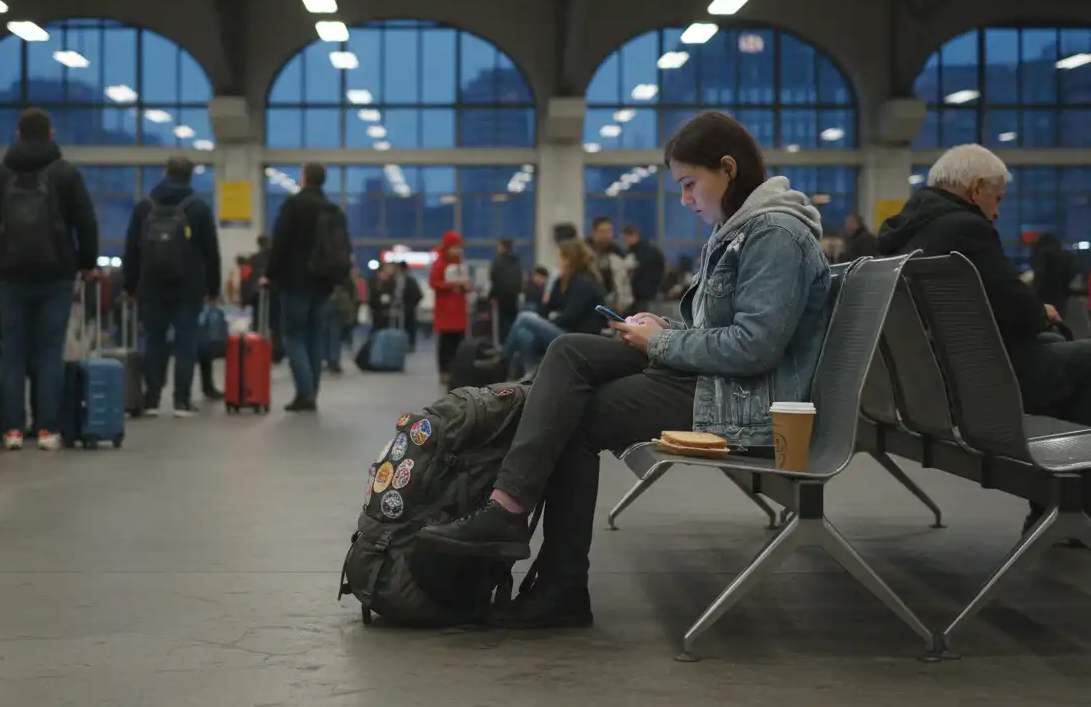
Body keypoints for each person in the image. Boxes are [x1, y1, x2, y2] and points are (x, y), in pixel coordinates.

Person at [419, 111, 831, 628]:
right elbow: (722, 331)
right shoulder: (742, 230)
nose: (685, 199)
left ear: (728, 169)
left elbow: (754, 348)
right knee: (569, 351)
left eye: (689, 184)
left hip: (740, 401)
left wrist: (661, 342)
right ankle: (512, 515)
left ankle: (547, 565)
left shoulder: (773, 235)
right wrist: (661, 328)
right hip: (714, 380)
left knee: (575, 417)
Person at [876, 144, 1091, 536]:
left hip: (930, 388)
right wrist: (1042, 312)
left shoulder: (904, 233)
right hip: (980, 392)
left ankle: (1056, 510)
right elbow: (1018, 309)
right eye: (997, 199)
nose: (996, 212)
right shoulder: (965, 228)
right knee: (1086, 360)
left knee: (1063, 354)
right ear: (976, 189)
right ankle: (1067, 508)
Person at [0, 107, 99, 450]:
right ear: (51, 134)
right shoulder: (65, 174)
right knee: (49, 352)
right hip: (56, 273)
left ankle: (12, 430)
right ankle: (48, 431)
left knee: (13, 352)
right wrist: (87, 263)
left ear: (17, 135)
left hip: (11, 275)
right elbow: (86, 221)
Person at [123, 156, 221, 417]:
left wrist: (129, 286)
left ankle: (152, 400)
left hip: (151, 286)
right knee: (186, 343)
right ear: (190, 176)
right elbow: (211, 252)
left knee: (154, 341)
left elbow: (132, 249)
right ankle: (181, 401)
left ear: (165, 172)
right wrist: (213, 289)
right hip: (189, 287)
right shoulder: (198, 207)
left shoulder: (145, 205)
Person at [265, 162, 348, 412]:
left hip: (296, 281)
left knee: (294, 336)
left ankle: (305, 392)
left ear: (304, 178)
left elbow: (281, 242)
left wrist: (270, 274)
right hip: (324, 282)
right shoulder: (333, 209)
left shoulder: (294, 205)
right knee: (315, 336)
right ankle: (312, 391)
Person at [502, 239, 606, 370]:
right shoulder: (567, 281)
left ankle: (503, 359)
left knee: (525, 317)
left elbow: (570, 317)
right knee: (525, 336)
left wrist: (549, 322)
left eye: (559, 258)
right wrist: (553, 285)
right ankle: (529, 375)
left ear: (568, 260)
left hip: (578, 338)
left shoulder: (584, 283)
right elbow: (546, 307)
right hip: (568, 332)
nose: (557, 262)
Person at [429, 230, 471, 385]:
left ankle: (457, 370)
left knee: (459, 342)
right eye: (454, 247)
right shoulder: (439, 264)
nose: (457, 250)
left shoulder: (461, 264)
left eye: (459, 247)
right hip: (445, 311)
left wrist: (466, 286)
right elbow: (434, 283)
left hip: (459, 310)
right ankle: (444, 371)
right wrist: (452, 285)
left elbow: (467, 282)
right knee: (446, 343)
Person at [589, 216, 634, 314]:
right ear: (594, 231)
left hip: (613, 303)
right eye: (602, 231)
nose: (606, 235)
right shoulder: (586, 251)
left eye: (609, 231)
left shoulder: (618, 252)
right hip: (590, 300)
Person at [621, 225, 664, 314]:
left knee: (641, 318)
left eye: (627, 237)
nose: (626, 241)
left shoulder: (645, 252)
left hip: (642, 293)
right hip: (642, 292)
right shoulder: (647, 249)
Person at [1031, 232, 1076, 316]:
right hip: (1059, 295)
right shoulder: (1063, 254)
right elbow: (1070, 272)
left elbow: (1040, 274)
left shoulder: (1041, 253)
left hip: (1043, 296)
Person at [488, 238, 524, 344]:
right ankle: (514, 345)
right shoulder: (517, 260)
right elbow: (520, 278)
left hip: (501, 296)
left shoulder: (498, 260)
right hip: (514, 296)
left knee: (502, 325)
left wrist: (491, 296)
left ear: (501, 246)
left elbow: (494, 278)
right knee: (514, 322)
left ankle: (503, 348)